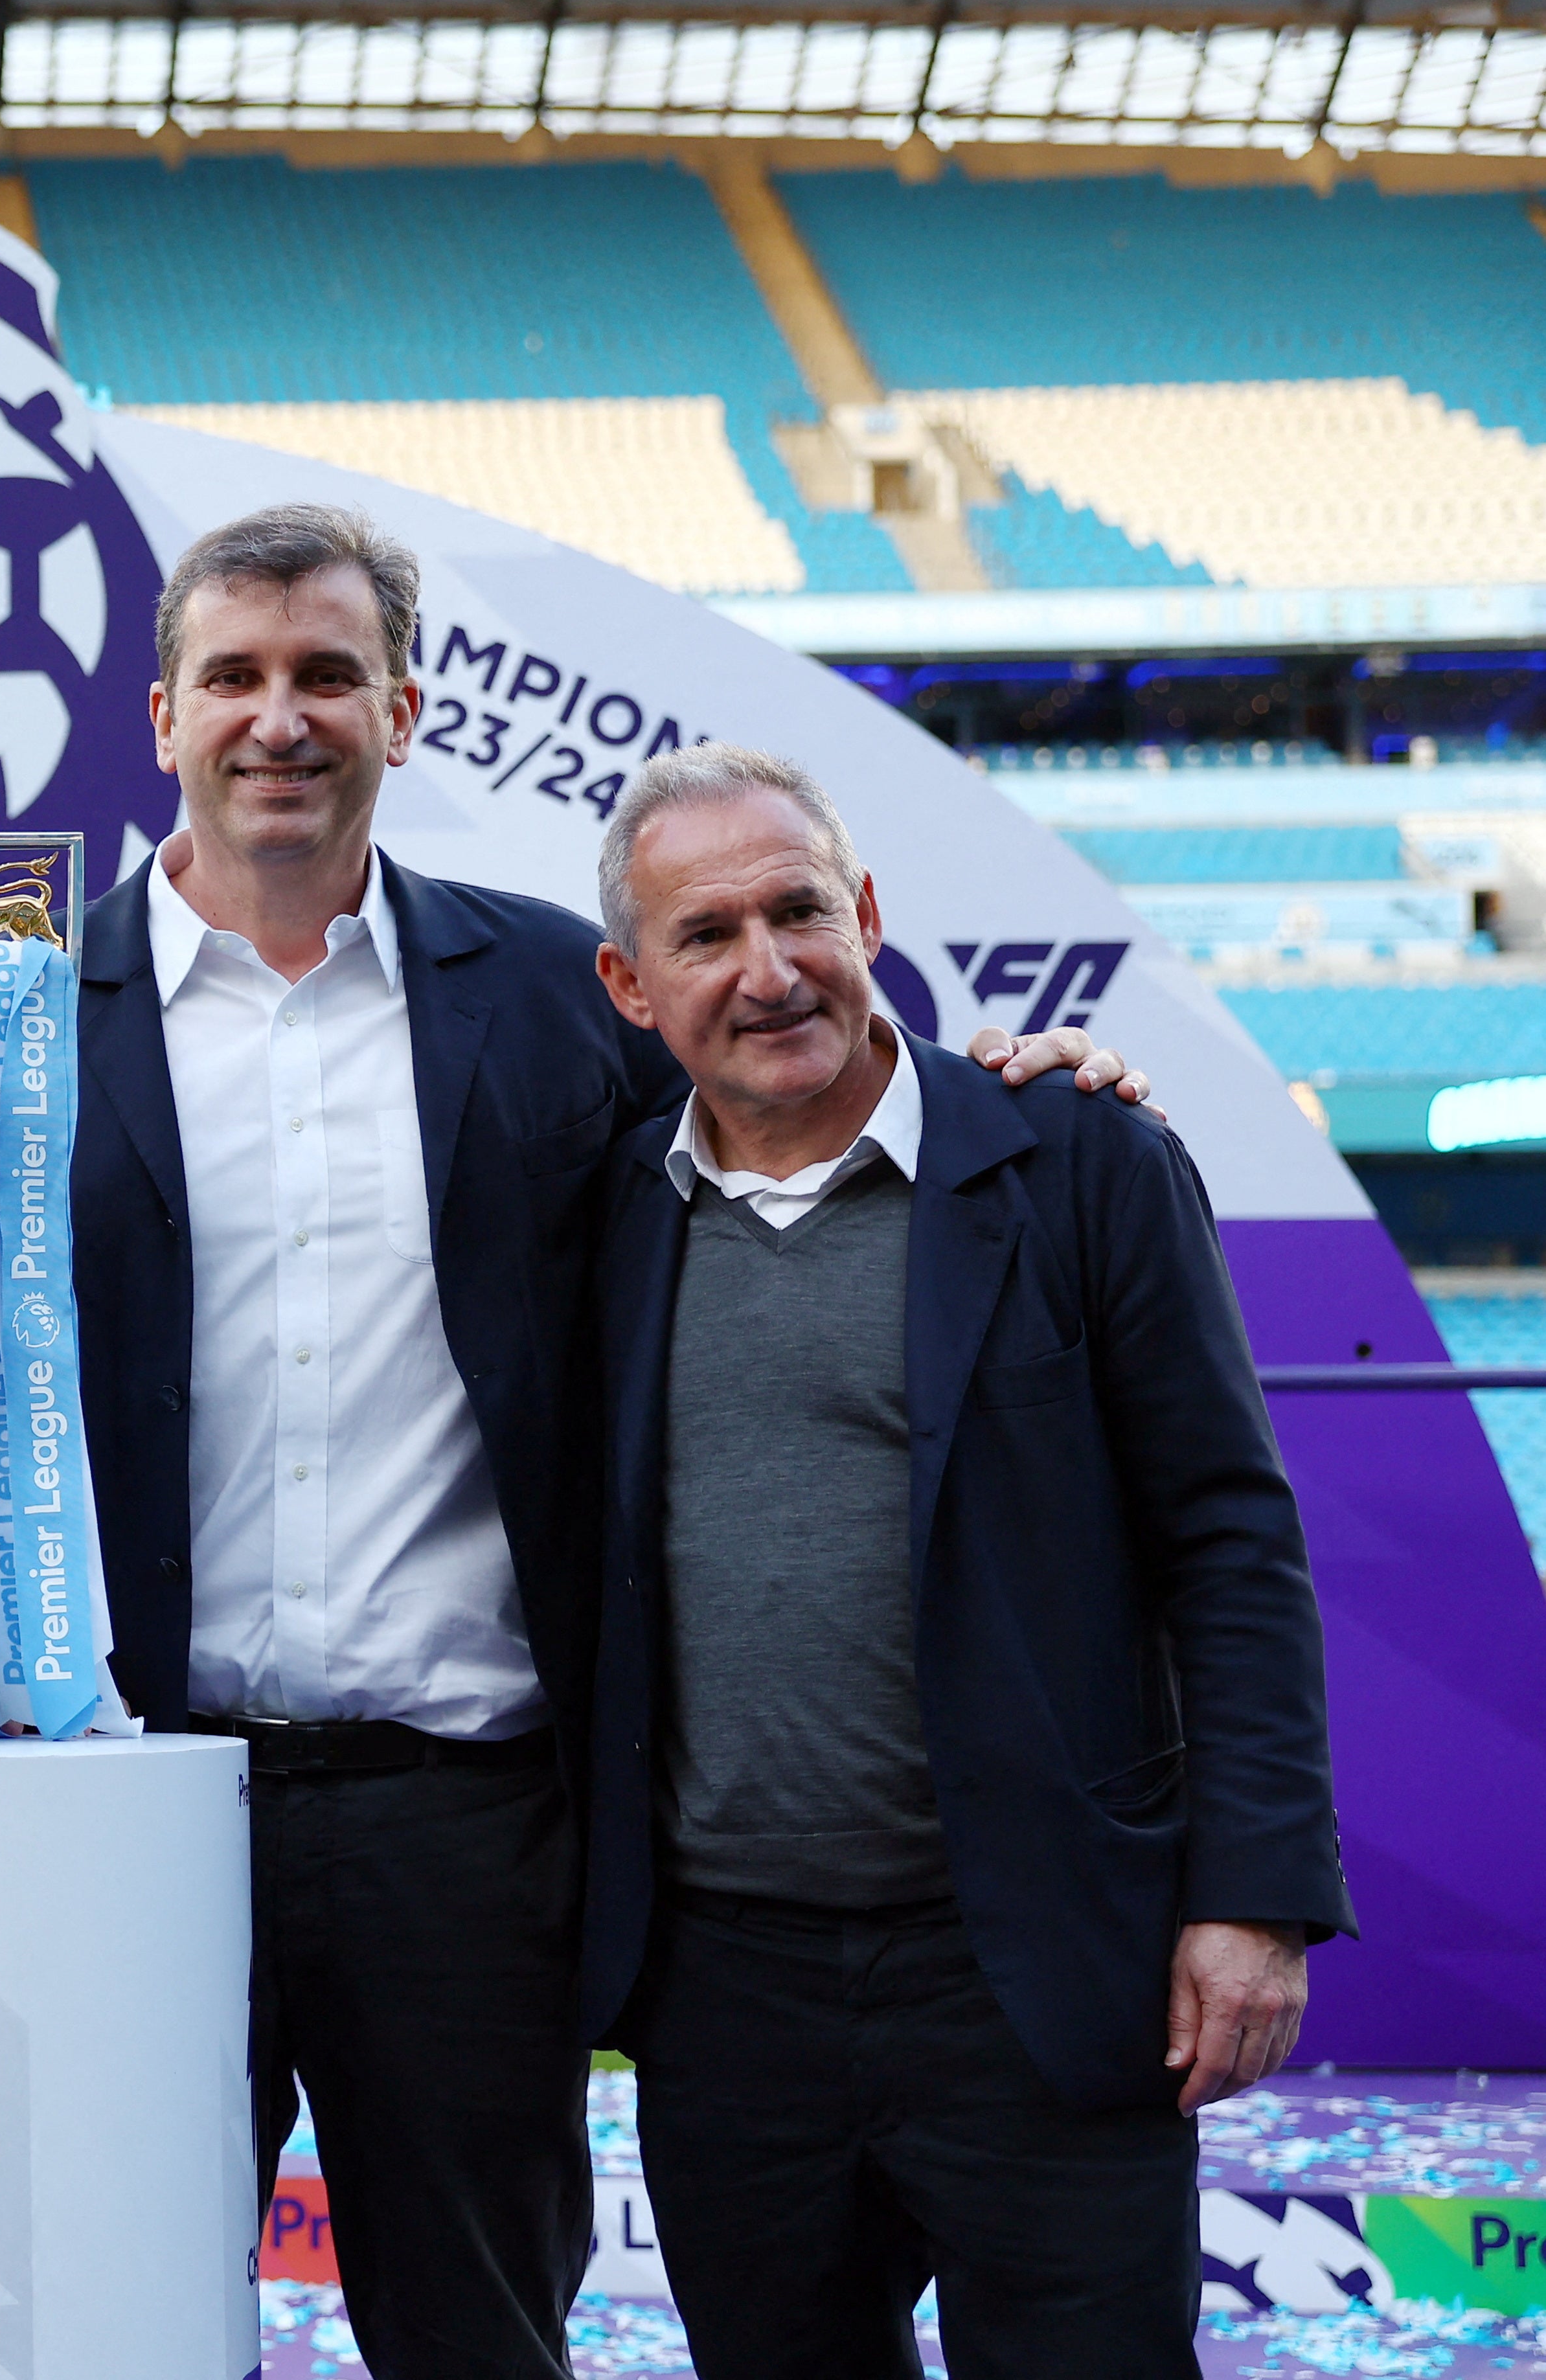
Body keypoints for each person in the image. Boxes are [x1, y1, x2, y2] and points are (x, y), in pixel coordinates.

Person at [66, 503, 1148, 2377]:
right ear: (158, 715)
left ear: (403, 712)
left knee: (482, 2336)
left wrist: (1020, 1094)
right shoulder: (25, 1014)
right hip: (134, 1800)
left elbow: (796, 1088)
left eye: (328, 674)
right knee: (119, 2325)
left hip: (469, 1822)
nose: (279, 718)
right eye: (230, 678)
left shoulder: (560, 1000)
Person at [580, 743, 1353, 2379]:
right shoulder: (600, 1220)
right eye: (703, 936)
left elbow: (1227, 1537)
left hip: (1033, 1971)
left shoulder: (1078, 1161)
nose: (767, 969)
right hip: (728, 1999)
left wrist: (1254, 1898)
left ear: (866, 915)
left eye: (798, 911)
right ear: (628, 986)